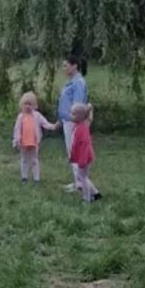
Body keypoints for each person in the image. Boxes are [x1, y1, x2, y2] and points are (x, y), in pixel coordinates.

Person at [57, 54, 89, 193]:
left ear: (74, 66)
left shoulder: (78, 83)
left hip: (73, 122)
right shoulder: (71, 81)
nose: (63, 68)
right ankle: (78, 182)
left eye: (66, 65)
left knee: (75, 152)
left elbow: (77, 104)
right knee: (72, 151)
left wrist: (73, 119)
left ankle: (81, 184)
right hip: (67, 121)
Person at [12, 91, 57, 184]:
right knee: (24, 160)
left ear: (34, 105)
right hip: (23, 142)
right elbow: (17, 129)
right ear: (22, 105)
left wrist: (54, 126)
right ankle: (24, 177)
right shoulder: (21, 116)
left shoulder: (37, 115)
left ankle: (36, 178)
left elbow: (45, 123)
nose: (28, 106)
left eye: (30, 104)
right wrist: (16, 140)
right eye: (25, 104)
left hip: (33, 142)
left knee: (34, 160)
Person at [69, 102, 101, 203]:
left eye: (73, 114)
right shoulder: (81, 125)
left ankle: (87, 198)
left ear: (80, 116)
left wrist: (82, 160)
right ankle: (96, 194)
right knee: (83, 176)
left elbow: (84, 145)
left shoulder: (82, 128)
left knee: (83, 178)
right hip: (84, 157)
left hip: (84, 157)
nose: (70, 115)